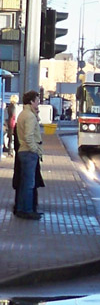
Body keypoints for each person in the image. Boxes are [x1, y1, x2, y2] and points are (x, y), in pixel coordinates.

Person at [14, 90, 43, 219]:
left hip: (23, 151)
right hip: (28, 152)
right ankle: (28, 210)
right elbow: (29, 136)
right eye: (37, 100)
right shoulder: (30, 116)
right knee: (29, 184)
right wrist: (35, 149)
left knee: (24, 183)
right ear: (31, 101)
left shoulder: (23, 114)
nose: (39, 103)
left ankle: (20, 208)